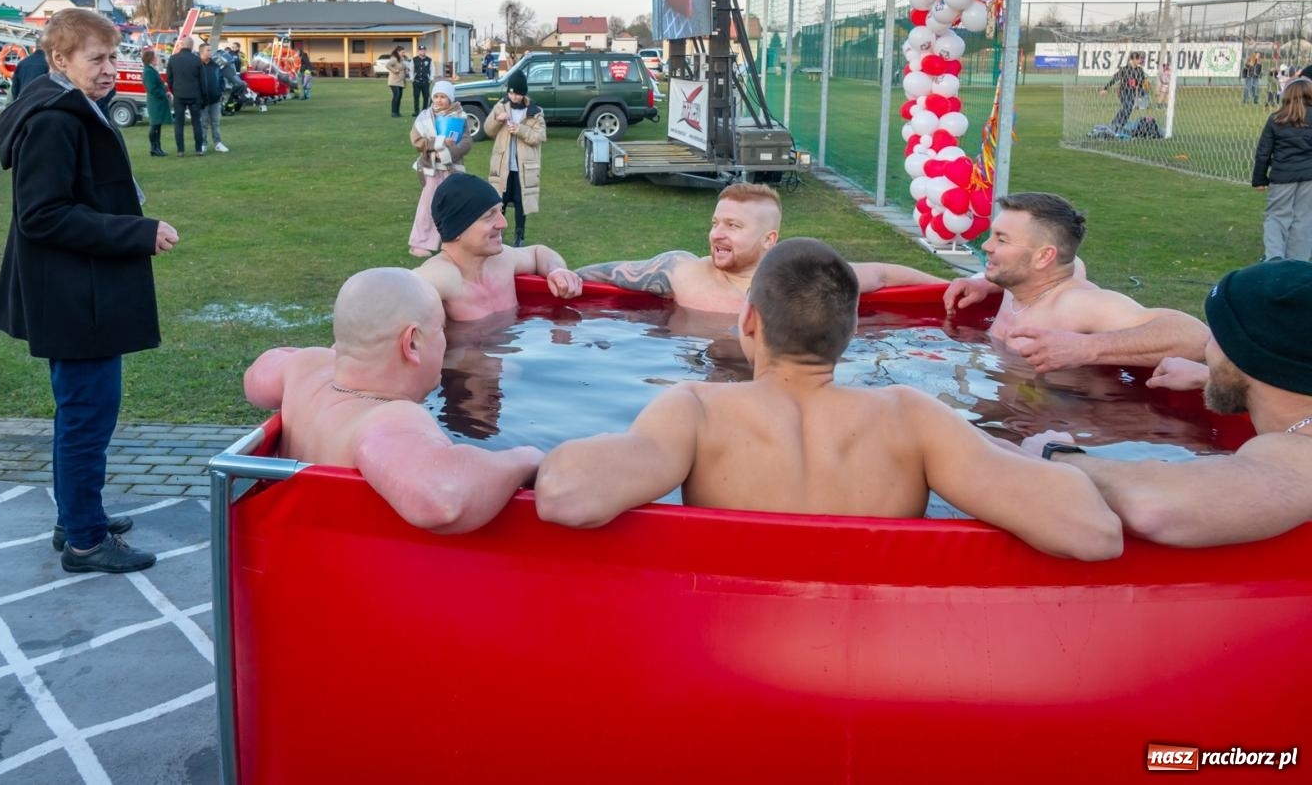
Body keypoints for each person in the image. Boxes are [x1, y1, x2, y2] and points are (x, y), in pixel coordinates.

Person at [535, 238, 1123, 562]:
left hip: (732, 647)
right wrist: (1049, 455)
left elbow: (564, 496)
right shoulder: (912, 418)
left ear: (749, 320)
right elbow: (1092, 532)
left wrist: (522, 461)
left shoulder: (697, 410)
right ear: (851, 330)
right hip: (876, 659)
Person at [0, 8, 180, 574]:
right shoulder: (55, 118)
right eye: (95, 59)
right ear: (60, 60)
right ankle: (84, 539)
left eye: (113, 56)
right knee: (87, 414)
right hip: (74, 295)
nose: (109, 69)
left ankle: (77, 515)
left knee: (82, 413)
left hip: (79, 290)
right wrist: (136, 232)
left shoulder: (73, 106)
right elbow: (42, 216)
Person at [1021, 259, 1312, 547]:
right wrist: (1211, 377)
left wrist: (1056, 455)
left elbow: (1154, 508)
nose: (1206, 347)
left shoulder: (1300, 453)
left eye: (1216, 336)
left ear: (1250, 360)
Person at [244, 267, 542, 533]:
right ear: (411, 342)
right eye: (440, 329)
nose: (445, 340)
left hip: (295, 539)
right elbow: (443, 500)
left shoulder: (306, 367)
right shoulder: (387, 417)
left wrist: (333, 353)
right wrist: (527, 458)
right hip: (354, 565)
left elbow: (255, 382)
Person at [576, 182, 945, 314]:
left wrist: (948, 289)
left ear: (770, 240)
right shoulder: (682, 271)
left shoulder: (803, 279)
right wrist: (565, 276)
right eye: (716, 223)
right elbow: (610, 273)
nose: (717, 234)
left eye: (733, 226)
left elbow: (881, 274)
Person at [943, 191, 1210, 372]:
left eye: (1002, 239)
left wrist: (1087, 348)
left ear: (1044, 256)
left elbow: (1197, 337)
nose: (987, 246)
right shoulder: (1023, 287)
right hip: (1007, 410)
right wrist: (988, 282)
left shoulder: (1077, 304)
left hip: (1058, 432)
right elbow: (1074, 263)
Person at [414, 172, 584, 321]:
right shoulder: (445, 275)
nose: (503, 224)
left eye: (500, 211)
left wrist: (556, 270)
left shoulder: (502, 261)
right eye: (489, 216)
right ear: (457, 229)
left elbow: (539, 252)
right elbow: (397, 291)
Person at [408, 80, 472, 257]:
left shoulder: (460, 116)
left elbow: (466, 142)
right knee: (428, 204)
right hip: (432, 167)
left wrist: (447, 154)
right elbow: (416, 140)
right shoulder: (424, 116)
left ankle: (453, 243)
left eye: (443, 97)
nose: (439, 100)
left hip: (452, 168)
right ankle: (420, 243)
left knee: (453, 204)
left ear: (450, 98)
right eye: (436, 96)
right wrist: (436, 145)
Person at [1251, 78, 1312, 262]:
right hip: (1309, 176)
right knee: (1304, 218)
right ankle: (1297, 262)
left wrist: (1259, 179)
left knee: (1277, 216)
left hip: (1282, 176)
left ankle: (1274, 257)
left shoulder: (1276, 119)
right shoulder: (1276, 119)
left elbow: (1263, 152)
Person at [483, 68, 545, 247]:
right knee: (498, 201)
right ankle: (497, 234)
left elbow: (538, 137)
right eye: (511, 92)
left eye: (517, 94)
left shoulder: (535, 112)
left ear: (523, 94)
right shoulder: (501, 107)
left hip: (523, 167)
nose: (514, 97)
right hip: (503, 165)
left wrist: (519, 129)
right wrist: (497, 119)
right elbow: (488, 130)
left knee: (521, 202)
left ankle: (519, 235)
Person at [166, 35, 206, 156]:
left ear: (182, 45)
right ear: (192, 46)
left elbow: (169, 79)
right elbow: (202, 80)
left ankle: (180, 150)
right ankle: (198, 149)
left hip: (179, 94)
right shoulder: (197, 60)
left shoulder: (173, 59)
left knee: (179, 123)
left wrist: (174, 90)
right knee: (196, 123)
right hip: (194, 95)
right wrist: (203, 96)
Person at [1098, 50, 1146, 131]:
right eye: (1137, 58)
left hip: (1132, 93)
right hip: (1123, 92)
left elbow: (1140, 83)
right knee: (1127, 106)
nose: (1139, 60)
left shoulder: (1140, 70)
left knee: (1129, 109)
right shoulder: (1124, 69)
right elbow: (1115, 79)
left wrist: (1141, 94)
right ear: (1133, 59)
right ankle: (1115, 123)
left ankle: (1121, 124)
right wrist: (1106, 89)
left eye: (1139, 59)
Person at [141, 47, 172, 157]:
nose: (157, 59)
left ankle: (157, 147)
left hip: (157, 101)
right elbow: (152, 88)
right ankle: (154, 148)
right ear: (151, 59)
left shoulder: (151, 70)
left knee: (157, 126)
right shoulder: (148, 71)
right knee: (154, 126)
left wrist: (165, 90)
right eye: (155, 58)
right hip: (155, 101)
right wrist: (163, 94)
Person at [199, 42, 227, 152]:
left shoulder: (215, 65)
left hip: (215, 99)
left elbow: (221, 79)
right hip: (202, 100)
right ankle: (203, 143)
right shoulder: (197, 65)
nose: (210, 52)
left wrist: (220, 91)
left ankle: (218, 143)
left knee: (216, 122)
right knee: (203, 123)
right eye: (208, 50)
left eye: (211, 50)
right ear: (202, 52)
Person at [411, 43, 433, 117]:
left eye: (423, 50)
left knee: (426, 96)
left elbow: (432, 70)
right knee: (416, 96)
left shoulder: (429, 60)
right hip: (416, 81)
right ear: (418, 51)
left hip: (425, 81)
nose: (422, 52)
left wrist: (431, 78)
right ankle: (416, 111)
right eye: (420, 50)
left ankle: (424, 111)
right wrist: (412, 78)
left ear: (425, 51)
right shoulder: (414, 59)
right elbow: (411, 69)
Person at [385, 47, 406, 117]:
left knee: (399, 97)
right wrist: (394, 70)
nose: (403, 53)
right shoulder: (394, 59)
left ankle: (397, 112)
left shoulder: (401, 59)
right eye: (402, 52)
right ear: (398, 52)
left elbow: (403, 68)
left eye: (404, 52)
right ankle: (393, 112)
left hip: (400, 81)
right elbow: (387, 65)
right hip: (394, 81)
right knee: (396, 96)